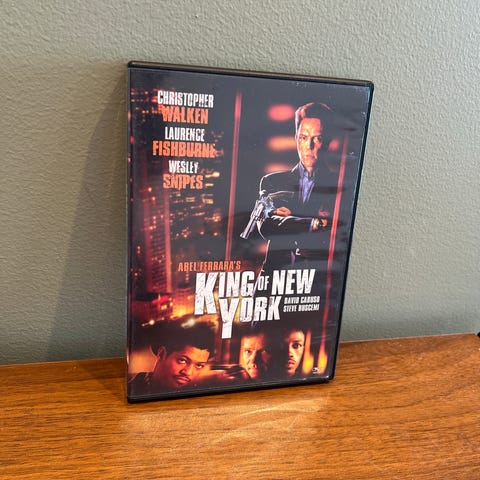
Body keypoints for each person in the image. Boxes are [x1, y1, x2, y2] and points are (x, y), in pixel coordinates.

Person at [257, 102, 338, 275]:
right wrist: (314, 223)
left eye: (317, 138)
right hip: (274, 277)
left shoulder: (338, 185)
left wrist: (290, 220)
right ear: (296, 139)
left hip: (315, 278)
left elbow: (336, 232)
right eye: (303, 137)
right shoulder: (272, 182)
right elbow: (266, 226)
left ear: (328, 142)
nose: (309, 146)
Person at [128, 320, 216, 395]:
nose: (188, 372)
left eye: (199, 365)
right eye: (182, 360)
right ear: (161, 353)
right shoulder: (134, 389)